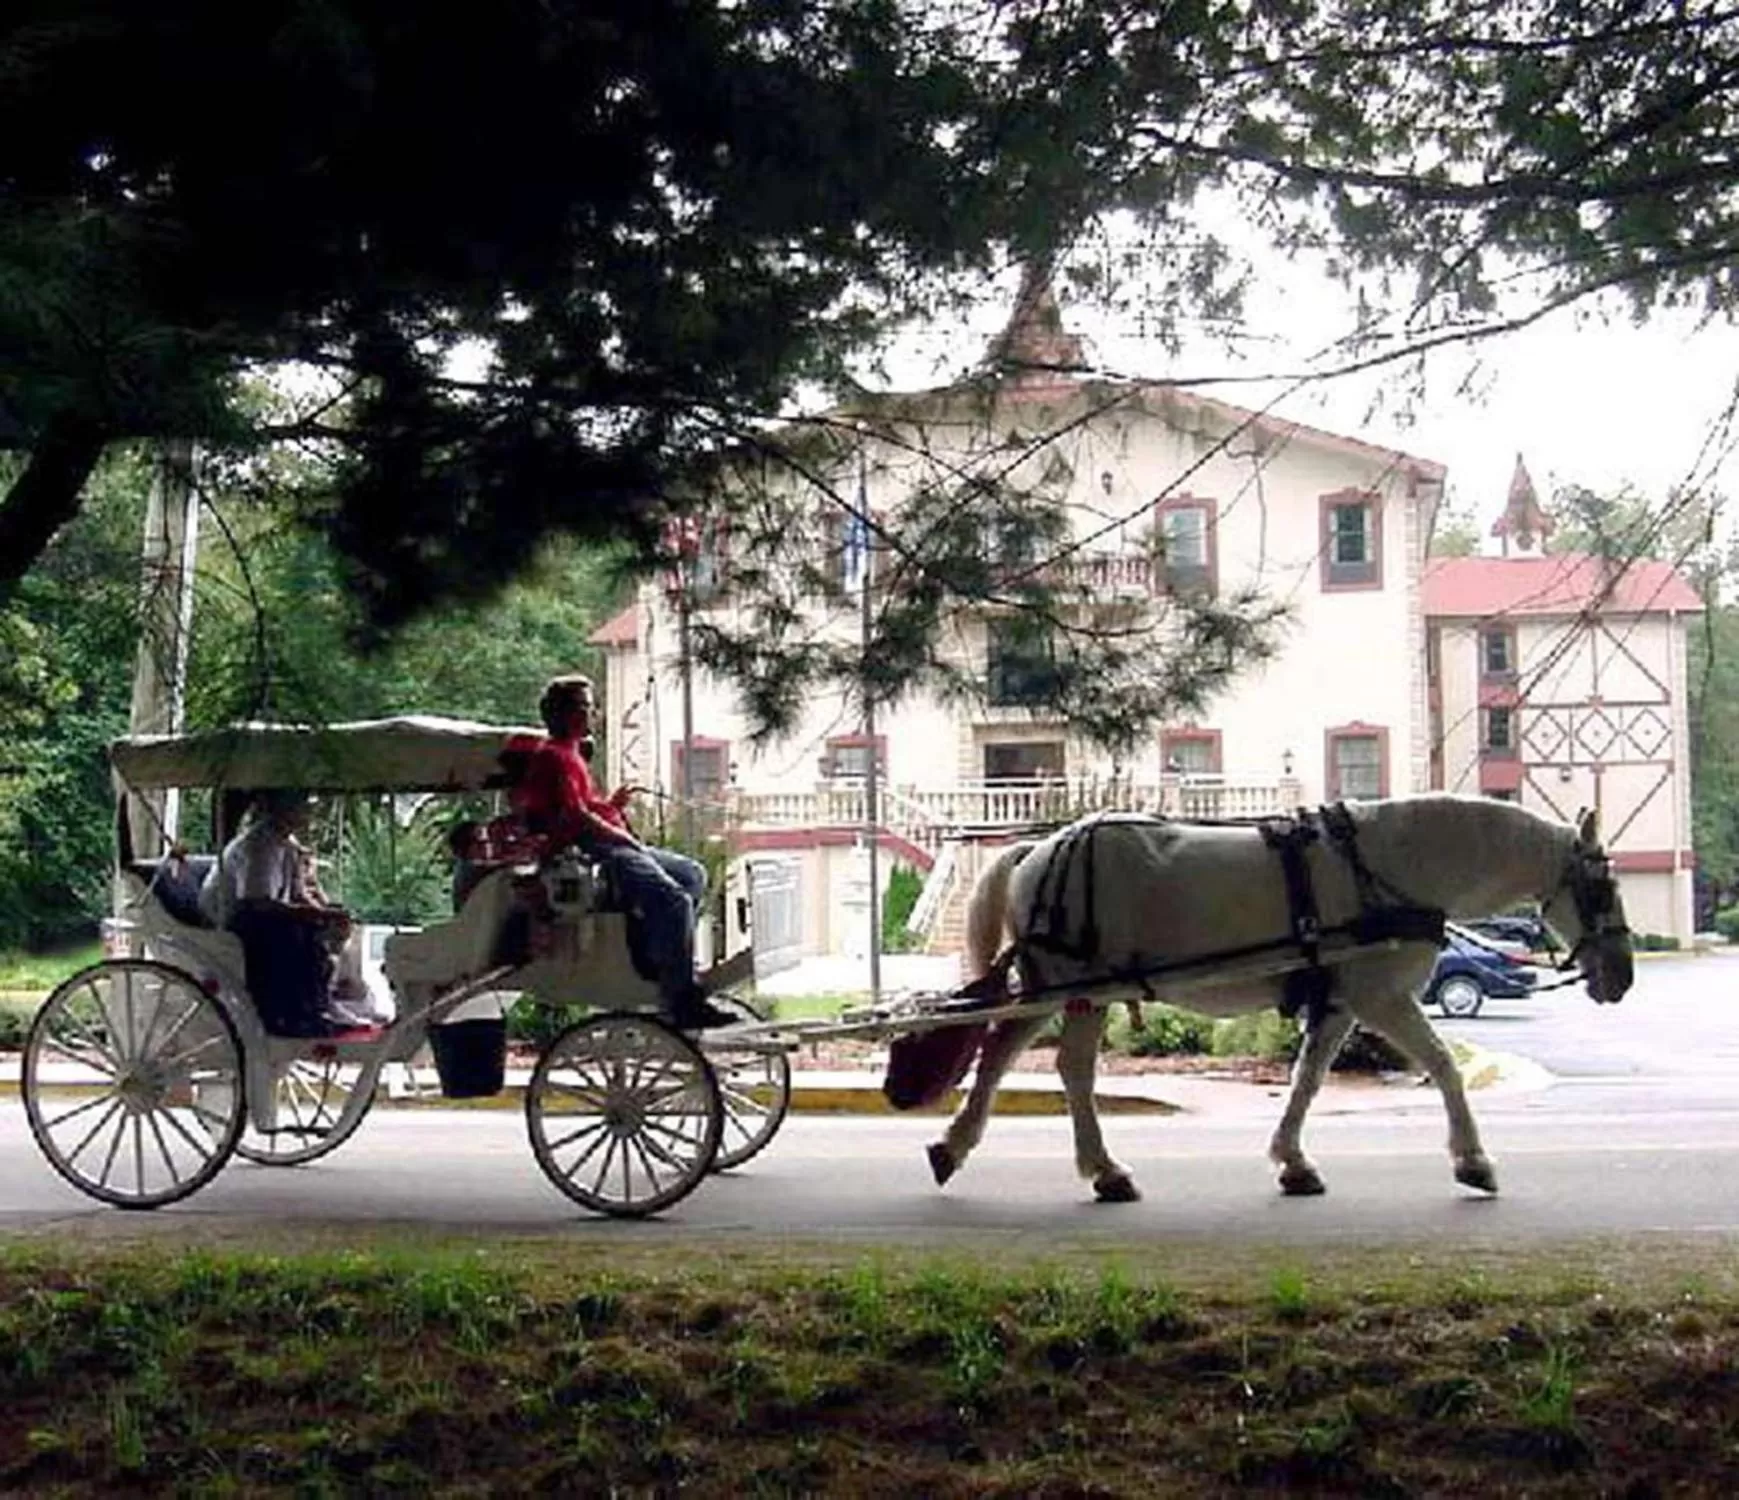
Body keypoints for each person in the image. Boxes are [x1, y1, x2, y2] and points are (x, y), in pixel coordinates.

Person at [520, 674, 733, 1030]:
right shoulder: (553, 757)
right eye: (587, 708)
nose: (593, 715)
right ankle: (680, 997)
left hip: (602, 841)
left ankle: (659, 954)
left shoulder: (571, 754)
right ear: (566, 713)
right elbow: (575, 817)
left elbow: (585, 807)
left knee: (692, 874)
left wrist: (612, 806)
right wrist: (623, 838)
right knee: (674, 901)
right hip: (589, 851)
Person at [198, 789, 353, 1035]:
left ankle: (318, 1006)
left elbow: (297, 893)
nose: (309, 813)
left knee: (314, 928)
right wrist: (315, 916)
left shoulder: (287, 845)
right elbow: (257, 902)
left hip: (263, 914)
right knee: (292, 934)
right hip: (233, 920)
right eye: (302, 806)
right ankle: (295, 1015)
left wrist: (326, 913)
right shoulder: (258, 845)